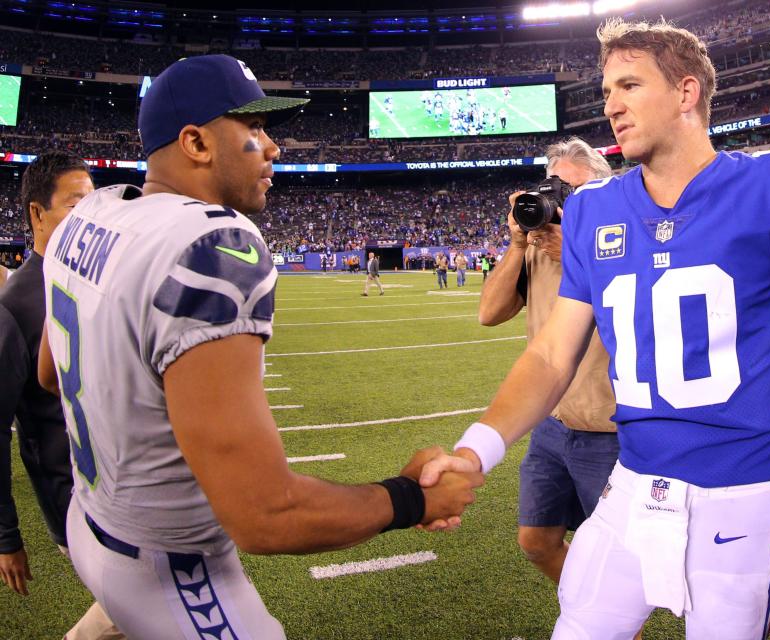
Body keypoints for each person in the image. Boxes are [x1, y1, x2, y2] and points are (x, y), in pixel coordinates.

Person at [420, 19, 770, 639]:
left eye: (629, 85)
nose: (611, 106)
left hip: (740, 496)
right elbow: (552, 356)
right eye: (608, 90)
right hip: (631, 486)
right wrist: (477, 450)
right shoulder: (592, 210)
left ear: (686, 93)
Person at [37, 54, 481, 639]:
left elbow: (50, 373)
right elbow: (266, 517)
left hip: (89, 523)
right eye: (254, 129)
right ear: (196, 141)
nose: (273, 147)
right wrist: (412, 500)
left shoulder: (88, 214)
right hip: (171, 569)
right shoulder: (211, 244)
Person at [477, 137, 619, 586]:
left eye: (573, 192)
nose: (560, 200)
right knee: (536, 539)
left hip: (609, 431)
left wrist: (578, 253)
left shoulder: (618, 243)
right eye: (554, 187)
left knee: (618, 558)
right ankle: (592, 615)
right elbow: (489, 313)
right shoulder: (536, 248)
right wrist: (518, 245)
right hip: (553, 424)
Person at [0, 152, 123, 639]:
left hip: (120, 490)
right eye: (77, 204)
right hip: (76, 502)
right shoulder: (14, 308)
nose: (90, 215)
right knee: (143, 608)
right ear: (37, 214)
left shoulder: (93, 282)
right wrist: (7, 536)